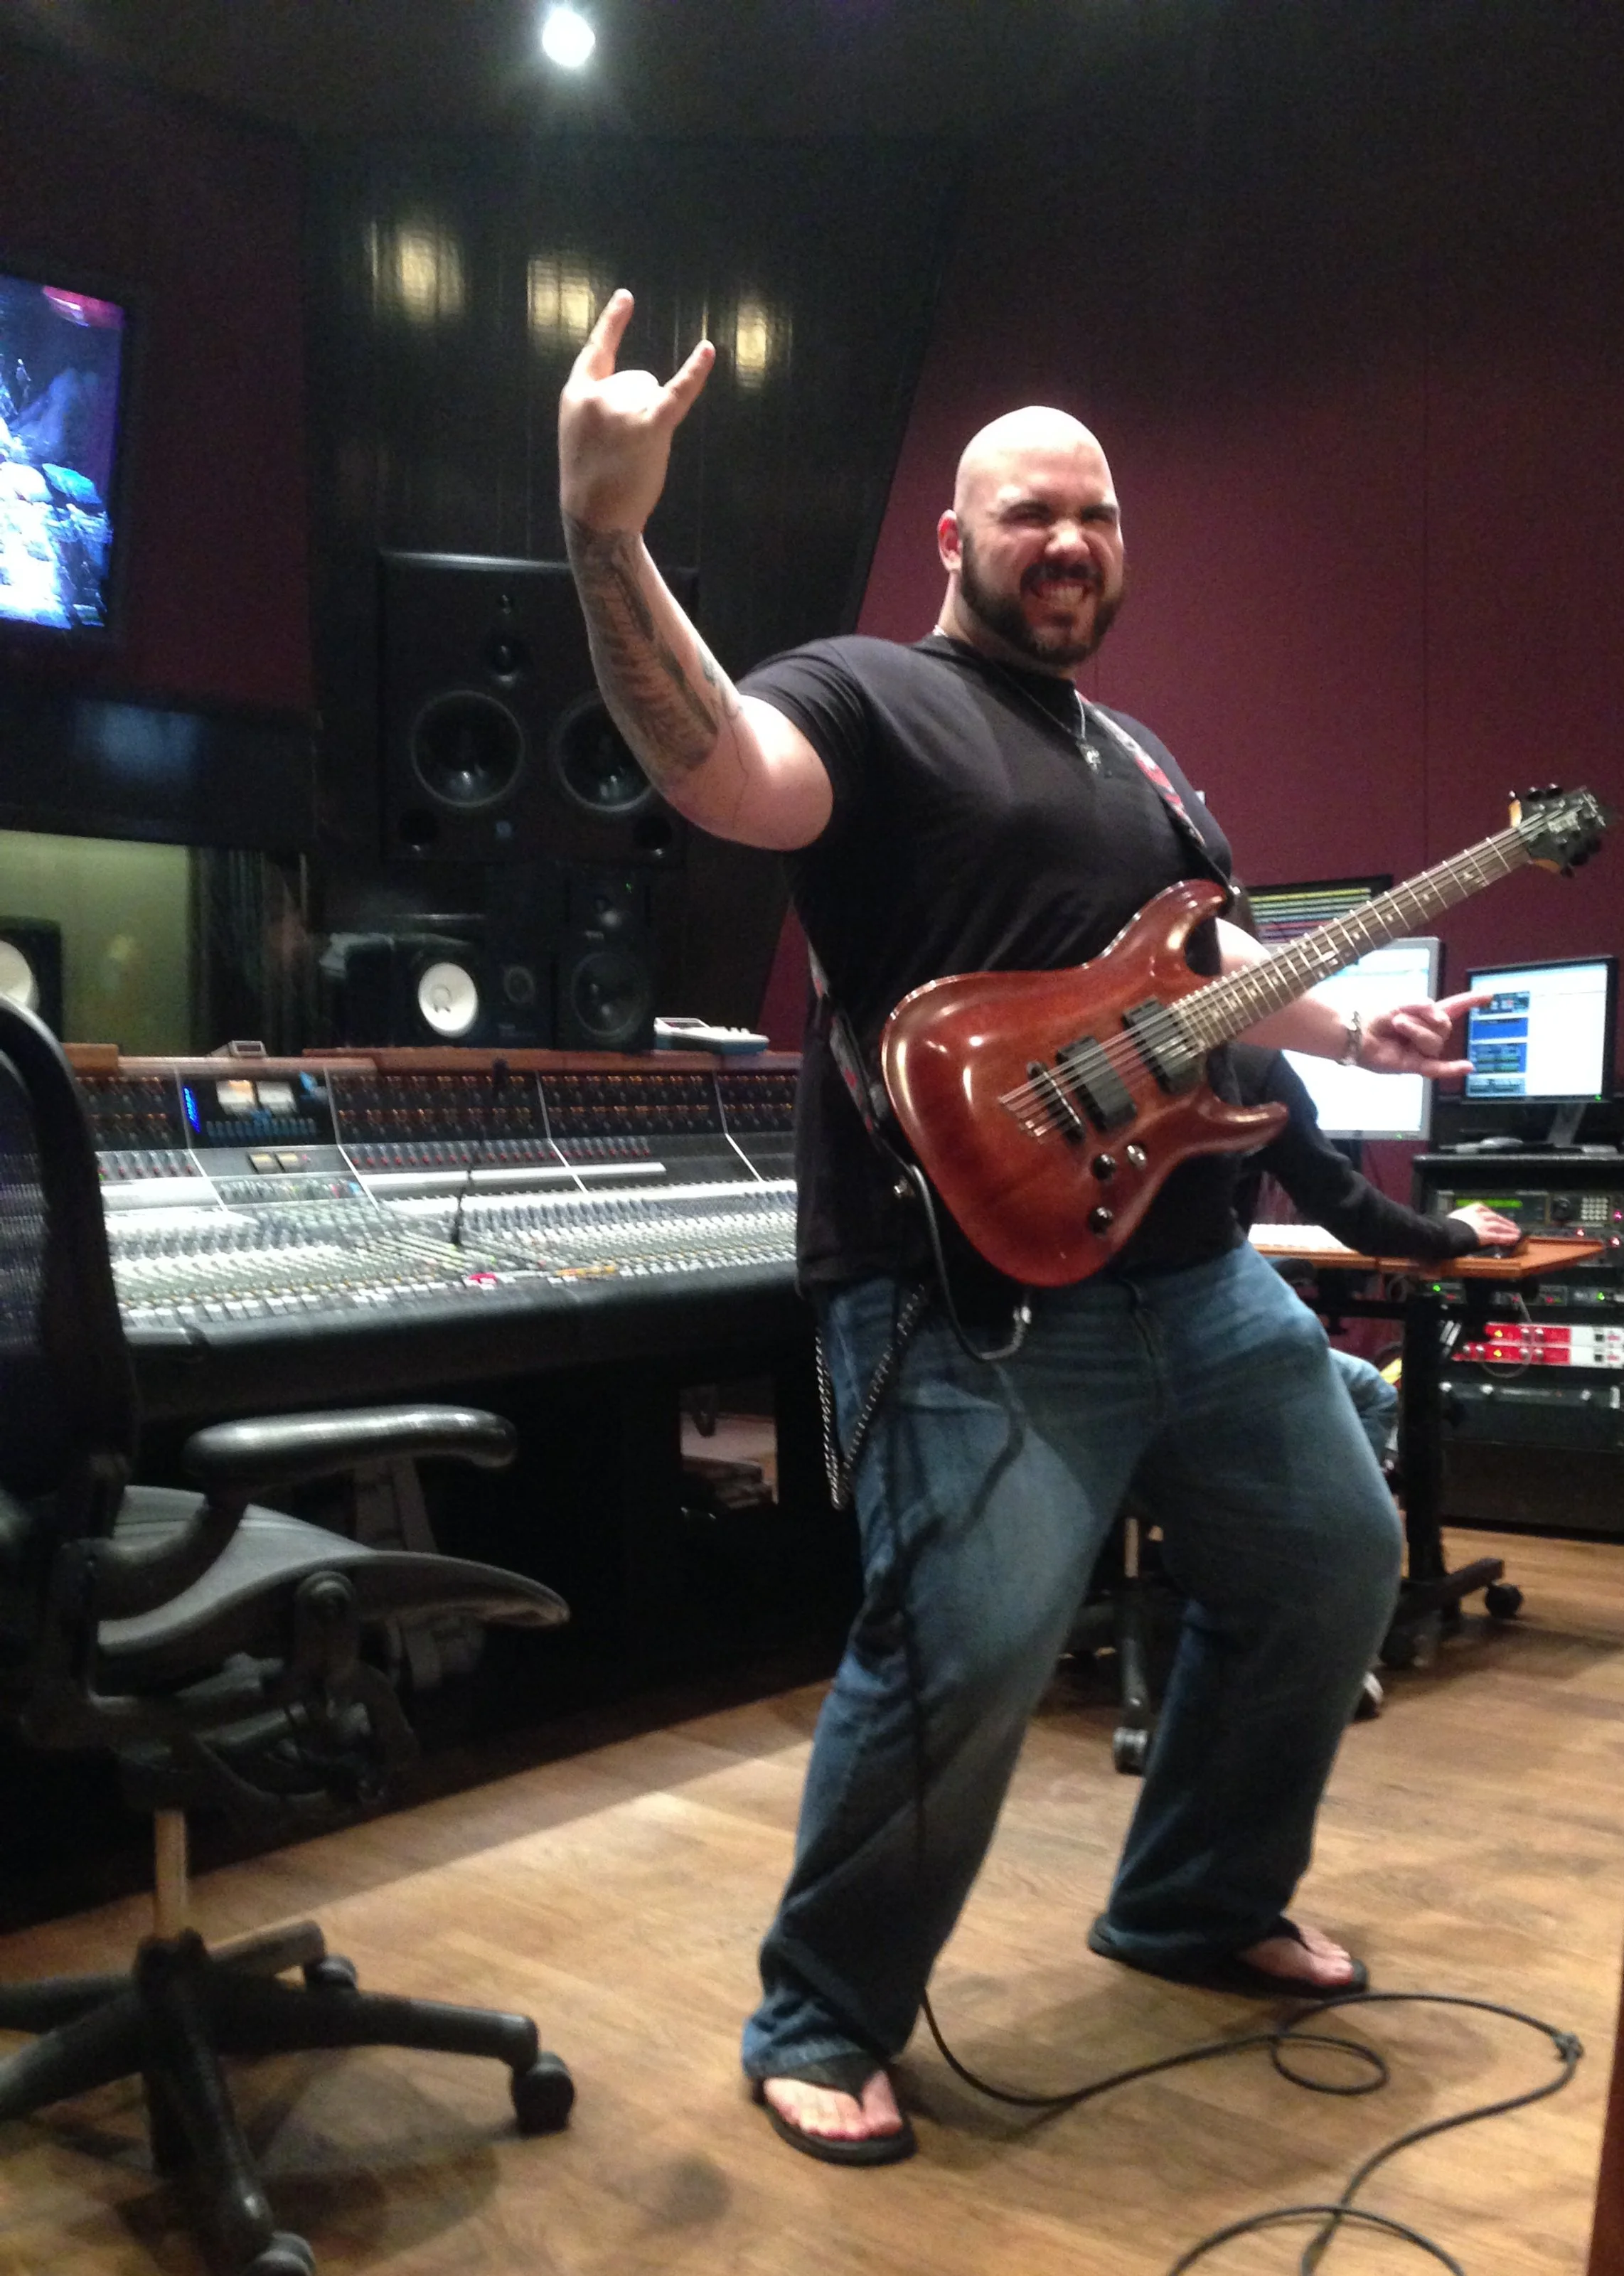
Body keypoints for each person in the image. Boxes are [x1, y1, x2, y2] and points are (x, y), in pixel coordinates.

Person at [557, 291, 1485, 2167]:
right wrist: (604, 533)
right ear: (951, 537)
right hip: (960, 1291)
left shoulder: (1140, 757)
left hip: (1193, 1275)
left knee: (1331, 1558)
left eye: (1096, 514)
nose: (1068, 540)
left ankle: (1193, 1898)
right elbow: (717, 765)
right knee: (963, 1649)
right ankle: (821, 2013)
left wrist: (1346, 1027)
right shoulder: (866, 695)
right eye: (1030, 512)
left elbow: (1200, 966)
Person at [1226, 1040, 1522, 1455]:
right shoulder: (1251, 1065)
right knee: (1374, 1395)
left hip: (1128, 1328)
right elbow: (1352, 1212)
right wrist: (1452, 1231)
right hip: (1199, 1336)